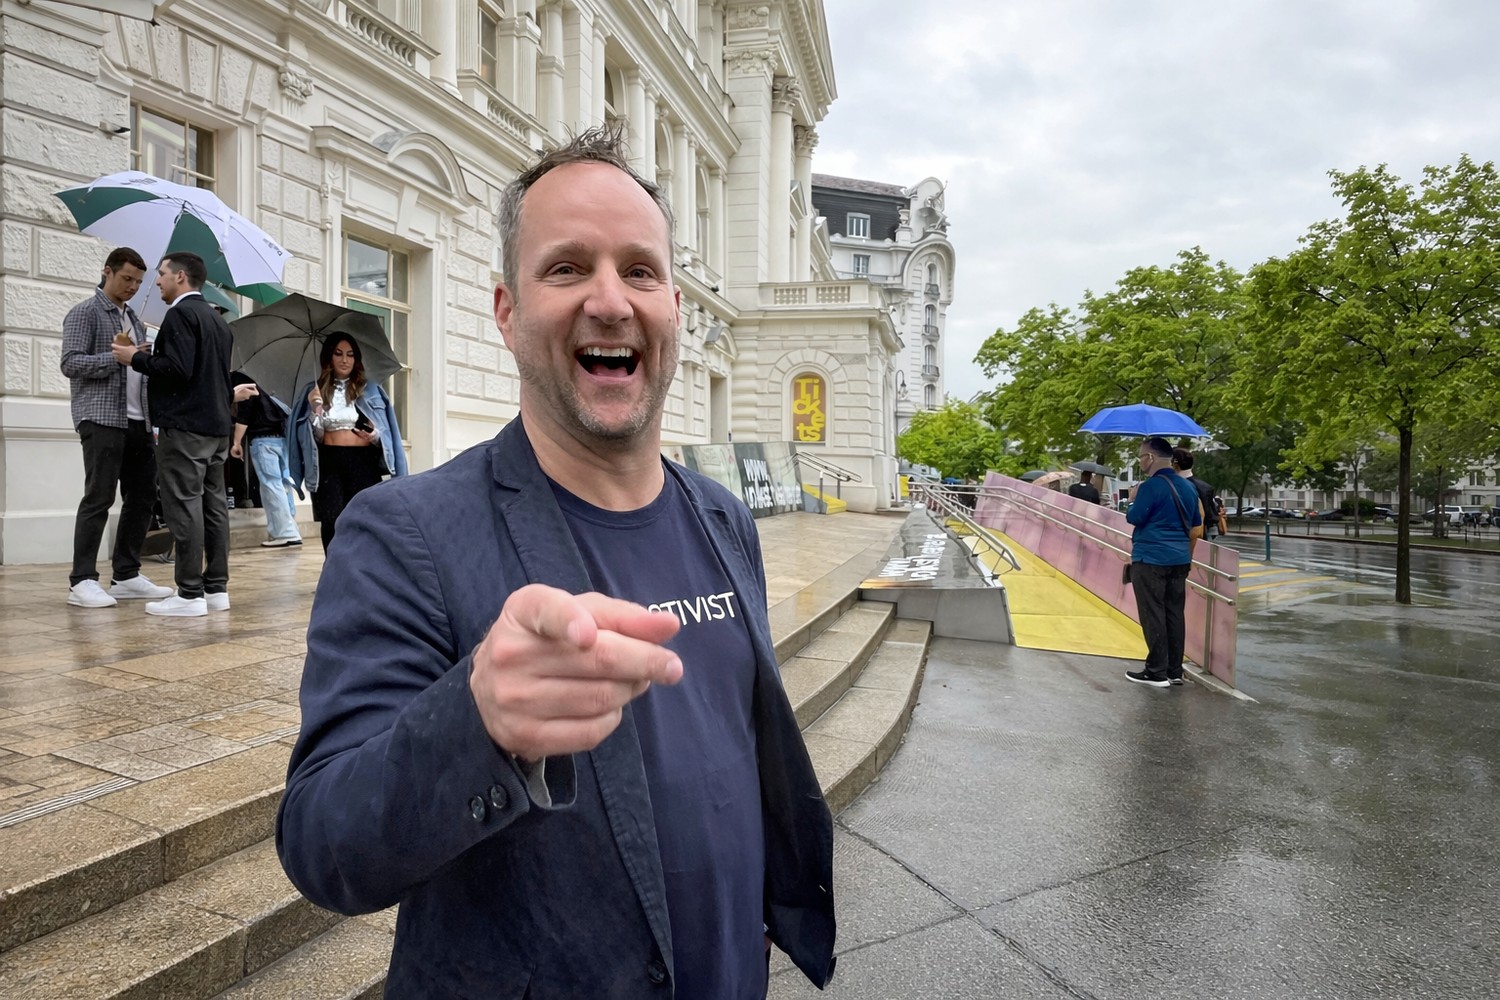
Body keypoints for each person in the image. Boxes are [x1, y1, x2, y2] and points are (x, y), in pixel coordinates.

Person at [277, 127, 836, 999]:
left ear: (675, 308)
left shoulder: (723, 516)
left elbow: (730, 757)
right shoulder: (405, 532)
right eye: (568, 268)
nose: (611, 301)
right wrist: (476, 719)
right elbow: (322, 843)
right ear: (506, 310)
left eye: (641, 271)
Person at [112, 252, 234, 618]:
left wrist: (133, 357)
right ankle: (216, 590)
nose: (157, 282)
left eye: (162, 275)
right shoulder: (217, 320)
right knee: (213, 508)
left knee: (184, 507)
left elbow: (178, 370)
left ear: (181, 277)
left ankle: (189, 593)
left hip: (185, 428)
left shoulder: (180, 314)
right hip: (216, 428)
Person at [60, 248, 176, 607]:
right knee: (99, 496)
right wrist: (114, 357)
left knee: (142, 498)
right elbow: (70, 363)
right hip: (100, 417)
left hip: (139, 420)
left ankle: (126, 573)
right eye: (127, 279)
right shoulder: (85, 312)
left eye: (139, 283)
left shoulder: (135, 320)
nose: (133, 287)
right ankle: (81, 581)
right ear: (107, 272)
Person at [285, 334, 406, 552]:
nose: (344, 360)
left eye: (350, 355)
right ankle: (334, 573)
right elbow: (313, 438)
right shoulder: (313, 391)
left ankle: (362, 573)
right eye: (338, 354)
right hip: (329, 461)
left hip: (363, 462)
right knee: (332, 519)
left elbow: (388, 433)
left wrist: (375, 435)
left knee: (364, 518)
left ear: (356, 359)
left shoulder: (371, 390)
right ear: (329, 358)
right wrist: (315, 410)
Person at [1124, 436, 1202, 688]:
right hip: (1179, 559)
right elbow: (1196, 526)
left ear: (1150, 458)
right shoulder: (1189, 487)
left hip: (1151, 558)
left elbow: (1135, 517)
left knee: (1152, 612)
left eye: (1140, 456)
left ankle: (1156, 671)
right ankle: (1174, 671)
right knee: (1174, 613)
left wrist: (1133, 498)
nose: (1140, 461)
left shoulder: (1150, 487)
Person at [231, 372, 302, 548]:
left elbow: (244, 415)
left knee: (271, 486)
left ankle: (286, 533)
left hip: (262, 440)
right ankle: (290, 528)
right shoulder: (269, 384)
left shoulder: (242, 382)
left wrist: (236, 442)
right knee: (283, 485)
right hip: (282, 439)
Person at [1172, 447, 1217, 542]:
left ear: (1175, 464)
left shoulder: (1172, 486)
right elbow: (1211, 520)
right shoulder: (1206, 488)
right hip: (1200, 542)